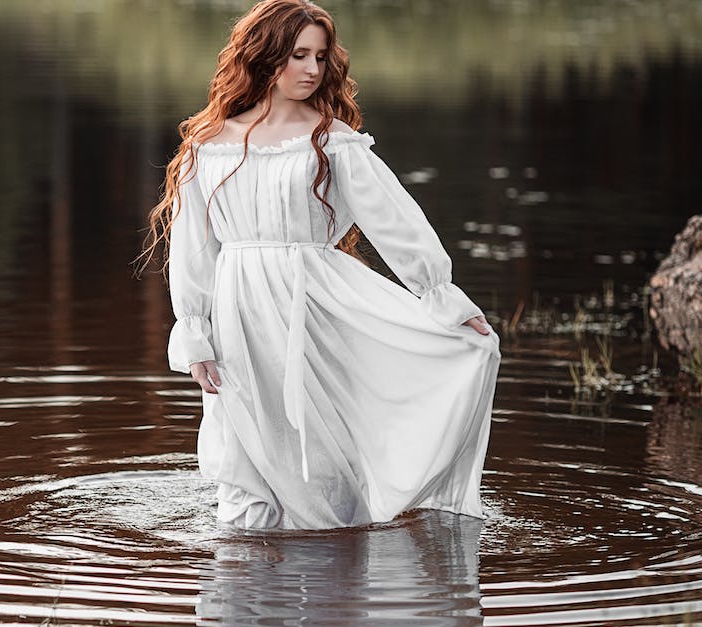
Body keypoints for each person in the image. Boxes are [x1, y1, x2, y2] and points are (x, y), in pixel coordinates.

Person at [139, 0, 501, 530]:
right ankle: (252, 583)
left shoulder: (332, 143)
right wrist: (195, 334)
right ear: (263, 56)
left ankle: (336, 566)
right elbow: (194, 250)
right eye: (299, 55)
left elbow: (396, 224)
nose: (312, 69)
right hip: (239, 310)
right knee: (251, 448)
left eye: (321, 57)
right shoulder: (208, 146)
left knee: (319, 442)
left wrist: (441, 297)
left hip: (315, 304)